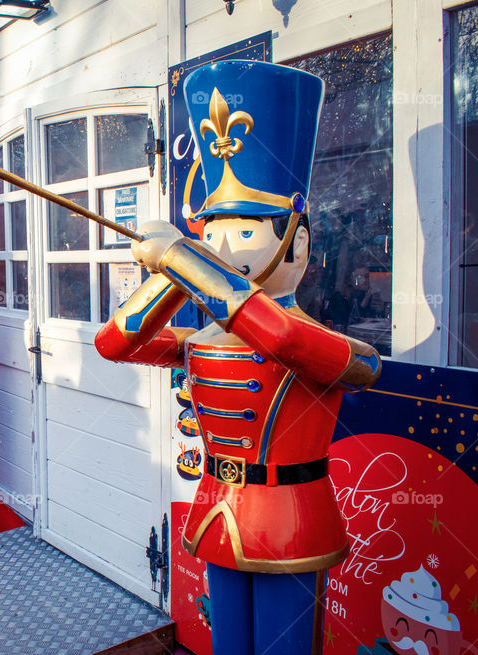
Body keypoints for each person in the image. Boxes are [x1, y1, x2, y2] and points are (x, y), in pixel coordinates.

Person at [95, 62, 381, 654]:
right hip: (217, 509)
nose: (224, 246)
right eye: (213, 232)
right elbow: (114, 344)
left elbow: (279, 338)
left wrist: (193, 263)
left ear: (296, 239)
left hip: (291, 520)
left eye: (245, 230)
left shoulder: (327, 346)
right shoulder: (204, 336)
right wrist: (173, 273)